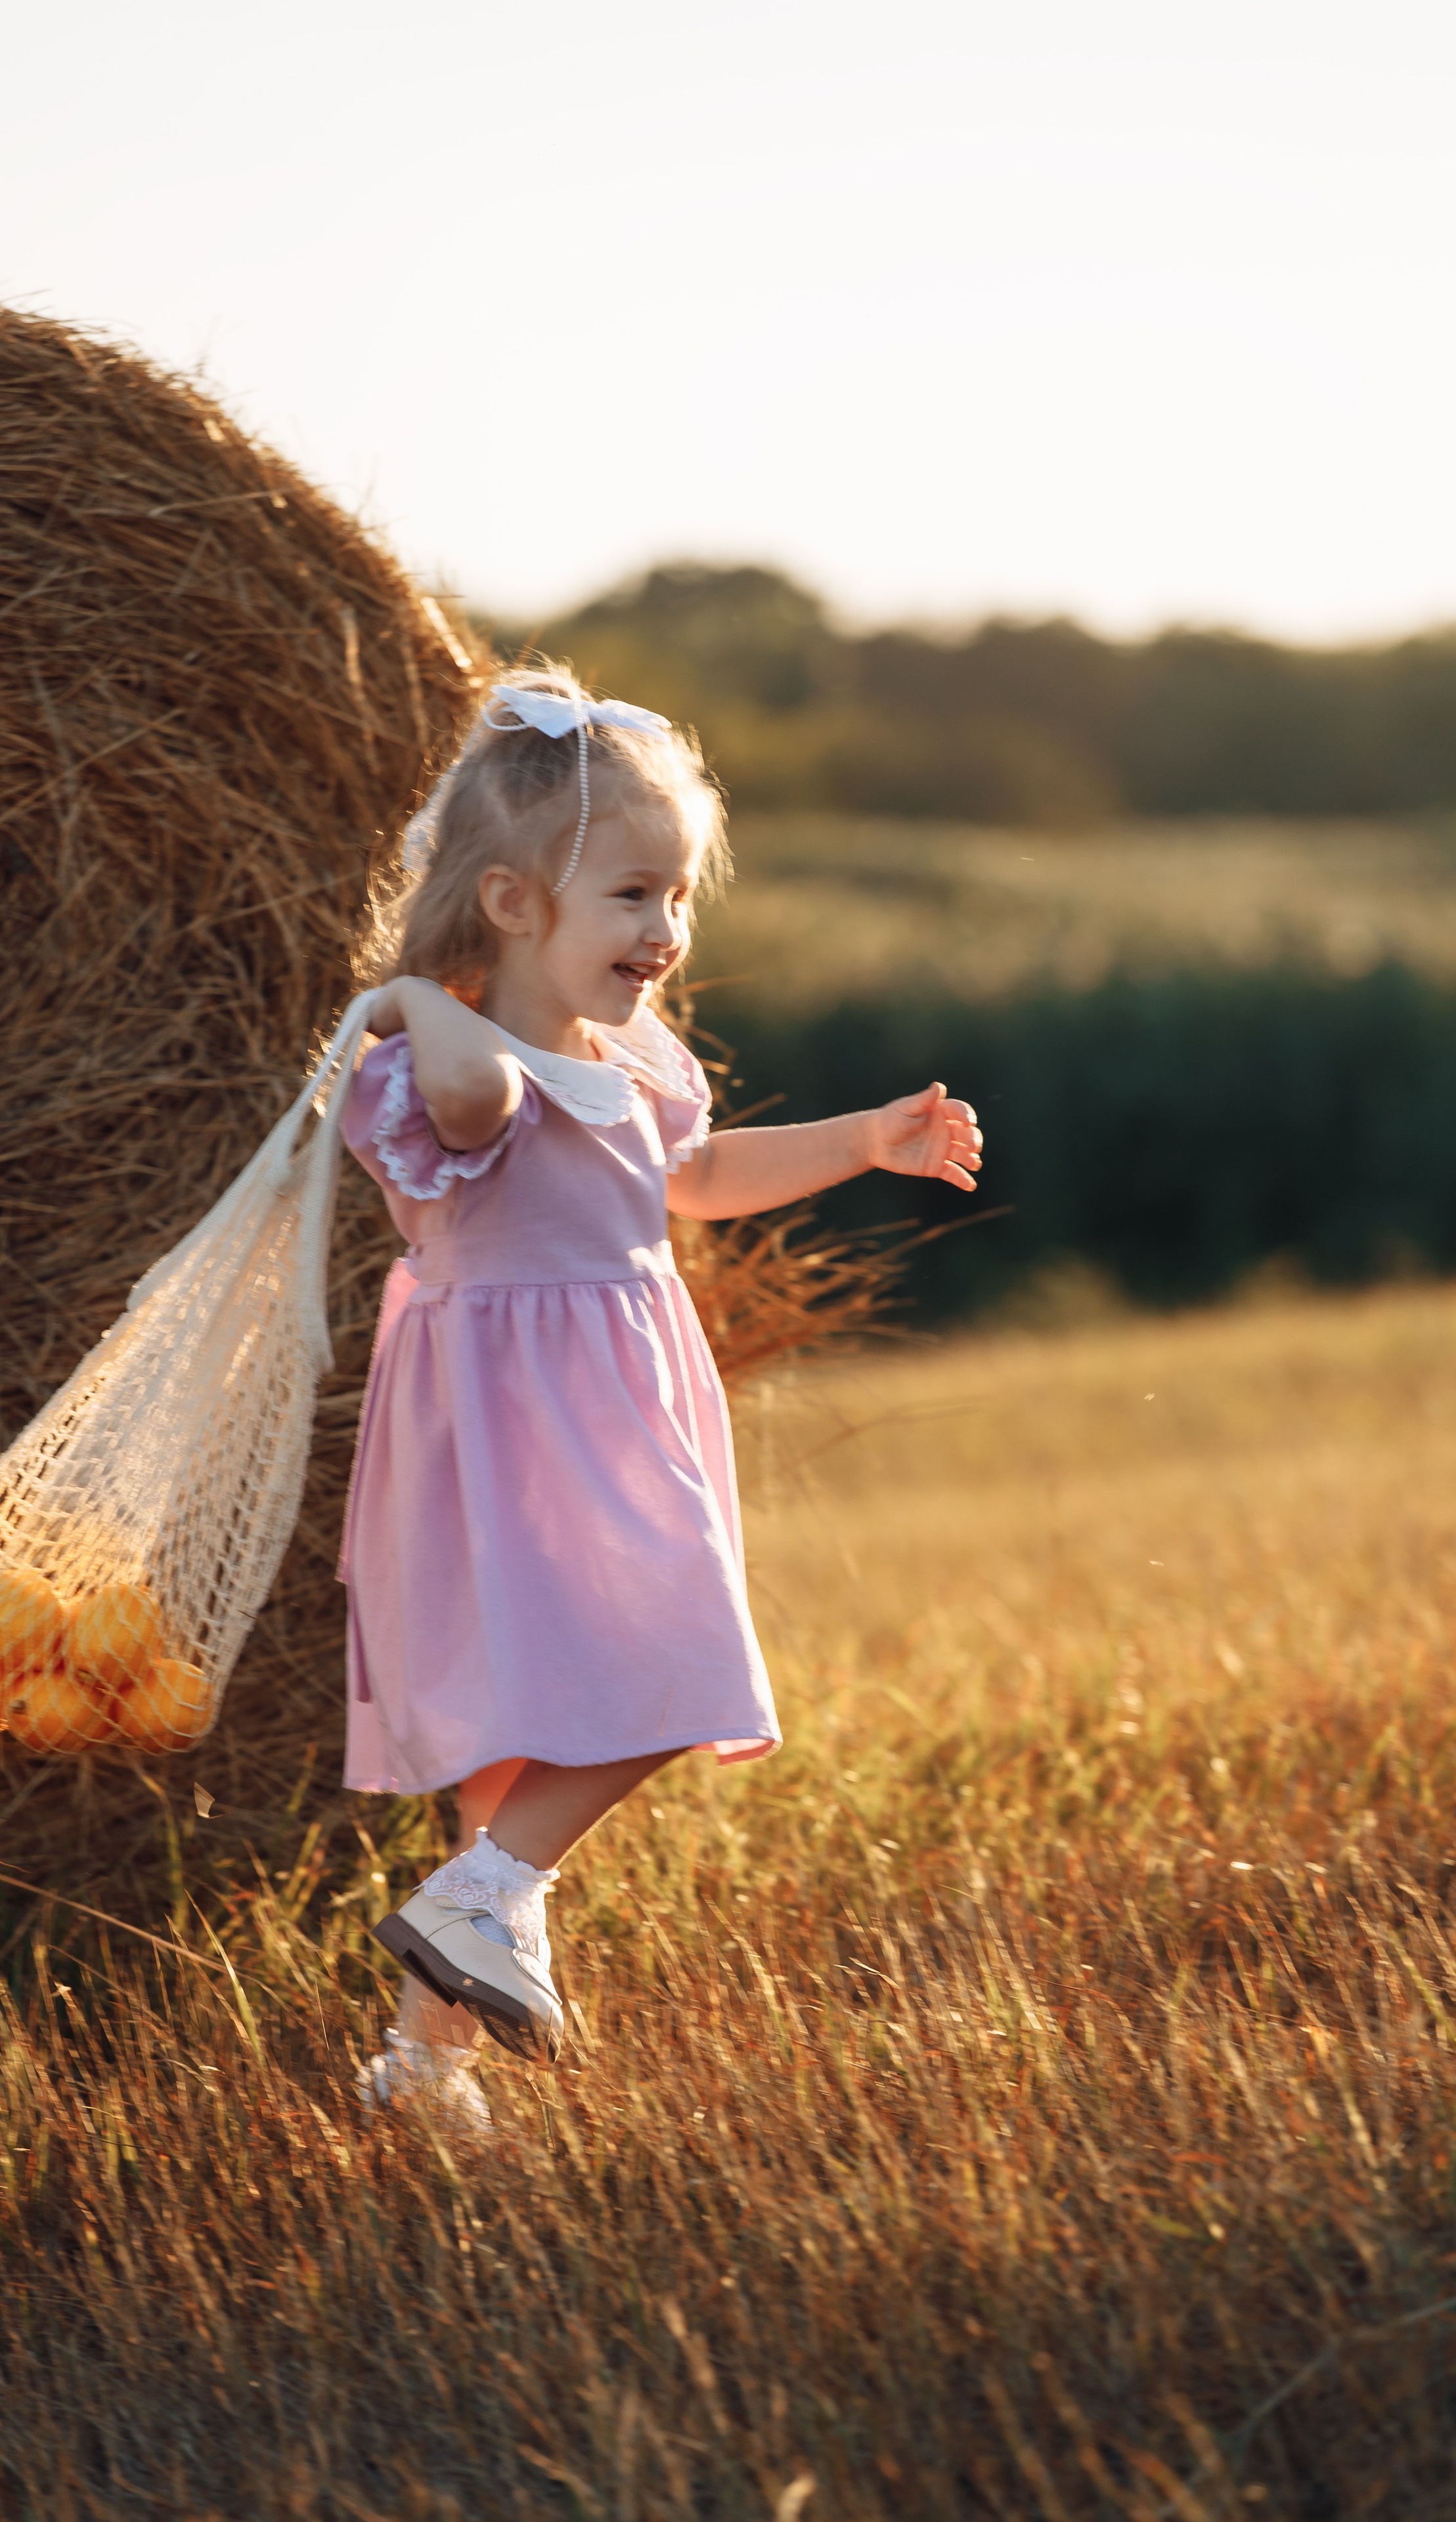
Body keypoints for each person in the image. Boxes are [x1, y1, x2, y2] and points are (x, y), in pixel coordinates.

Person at [341, 671, 981, 2126]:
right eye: (633, 895)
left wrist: (862, 1139)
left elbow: (691, 1185)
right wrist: (397, 994)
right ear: (511, 906)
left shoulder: (632, 1062)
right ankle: (492, 1893)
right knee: (677, 1653)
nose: (665, 931)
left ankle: (422, 2068)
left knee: (524, 1741)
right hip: (517, 1421)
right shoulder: (435, 1065)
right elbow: (475, 1112)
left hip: (607, 1392)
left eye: (677, 897)